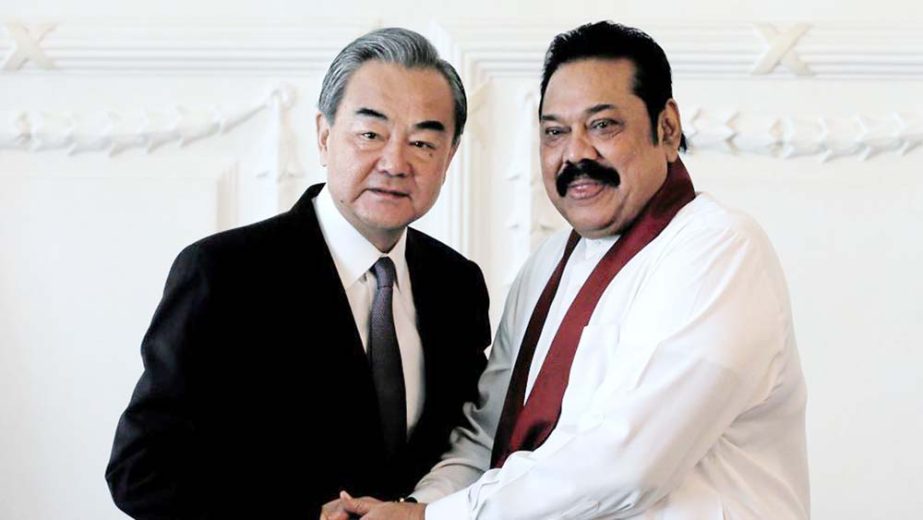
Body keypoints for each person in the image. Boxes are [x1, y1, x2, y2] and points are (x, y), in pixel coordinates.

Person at [334, 21, 809, 520]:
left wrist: (434, 519)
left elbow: (628, 465)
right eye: (555, 132)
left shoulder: (719, 249)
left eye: (603, 125)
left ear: (666, 128)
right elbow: (488, 435)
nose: (576, 153)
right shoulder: (546, 266)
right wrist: (412, 506)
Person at [105, 27, 491, 519]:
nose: (395, 162)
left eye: (422, 142)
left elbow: (469, 443)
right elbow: (142, 470)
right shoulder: (224, 273)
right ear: (325, 136)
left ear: (449, 157)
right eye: (371, 134)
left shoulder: (455, 283)